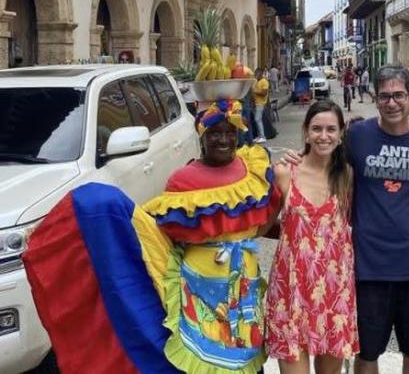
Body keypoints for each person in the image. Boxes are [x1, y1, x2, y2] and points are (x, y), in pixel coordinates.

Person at [22, 100, 281, 374]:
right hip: (201, 288)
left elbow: (260, 223)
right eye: (215, 133)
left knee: (244, 350)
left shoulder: (252, 169)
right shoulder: (184, 181)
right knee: (207, 358)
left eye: (230, 132)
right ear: (202, 137)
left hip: (243, 282)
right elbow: (158, 231)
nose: (224, 139)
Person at [282, 65, 409, 374]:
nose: (391, 103)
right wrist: (294, 157)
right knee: (366, 353)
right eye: (384, 96)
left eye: (398, 95)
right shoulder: (358, 135)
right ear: (375, 98)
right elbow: (322, 157)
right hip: (366, 266)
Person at [265, 99, 359, 374]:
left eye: (331, 129)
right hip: (291, 290)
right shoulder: (284, 172)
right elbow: (262, 227)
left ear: (341, 134)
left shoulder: (348, 176)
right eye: (317, 128)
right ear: (306, 132)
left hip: (334, 293)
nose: (324, 136)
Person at [253, 67, 270, 143]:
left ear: (260, 73)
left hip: (260, 103)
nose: (255, 75)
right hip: (256, 103)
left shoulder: (264, 81)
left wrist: (255, 91)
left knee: (257, 119)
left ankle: (262, 136)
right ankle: (259, 136)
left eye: (256, 74)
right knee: (257, 119)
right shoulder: (257, 81)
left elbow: (264, 93)